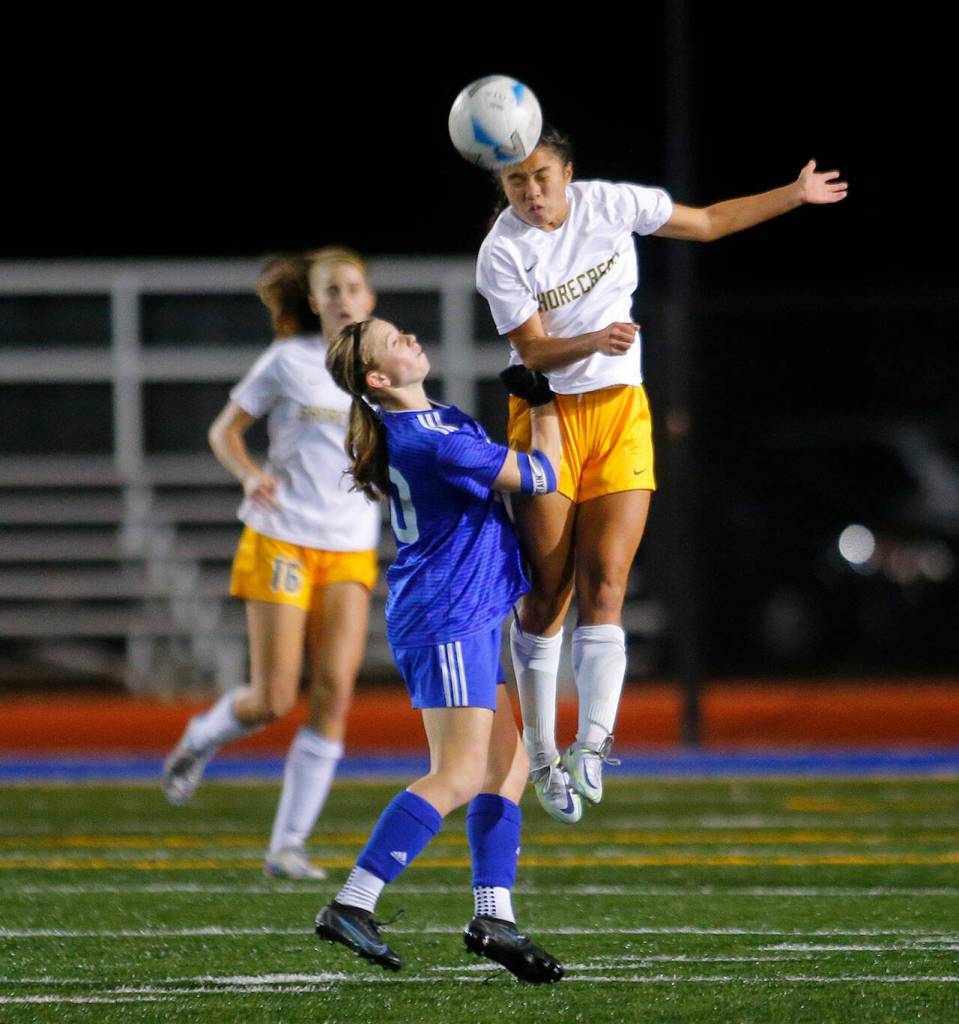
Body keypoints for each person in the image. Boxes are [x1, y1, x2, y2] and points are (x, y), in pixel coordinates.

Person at [477, 126, 848, 823]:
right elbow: (531, 350)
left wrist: (794, 196)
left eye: (541, 176)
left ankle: (591, 744)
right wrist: (595, 338)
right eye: (516, 182)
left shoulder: (610, 205)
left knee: (607, 581)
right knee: (547, 593)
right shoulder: (501, 250)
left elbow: (706, 223)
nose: (531, 192)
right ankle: (543, 755)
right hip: (548, 415)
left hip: (620, 413)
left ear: (568, 172)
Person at [314, 317, 564, 983]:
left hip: (467, 608)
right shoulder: (432, 441)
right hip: (448, 614)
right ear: (376, 378)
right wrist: (543, 404)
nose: (411, 341)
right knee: (456, 774)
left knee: (505, 771)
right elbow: (541, 474)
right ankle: (352, 902)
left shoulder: (435, 421)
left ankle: (493, 916)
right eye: (395, 342)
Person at [162, 248, 380, 880]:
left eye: (354, 287)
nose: (343, 298)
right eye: (331, 289)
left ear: (370, 299)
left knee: (335, 693)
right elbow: (223, 431)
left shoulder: (383, 365)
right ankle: (201, 737)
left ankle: (287, 847)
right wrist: (251, 475)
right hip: (283, 538)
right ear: (313, 303)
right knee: (274, 696)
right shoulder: (288, 361)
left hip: (349, 543)